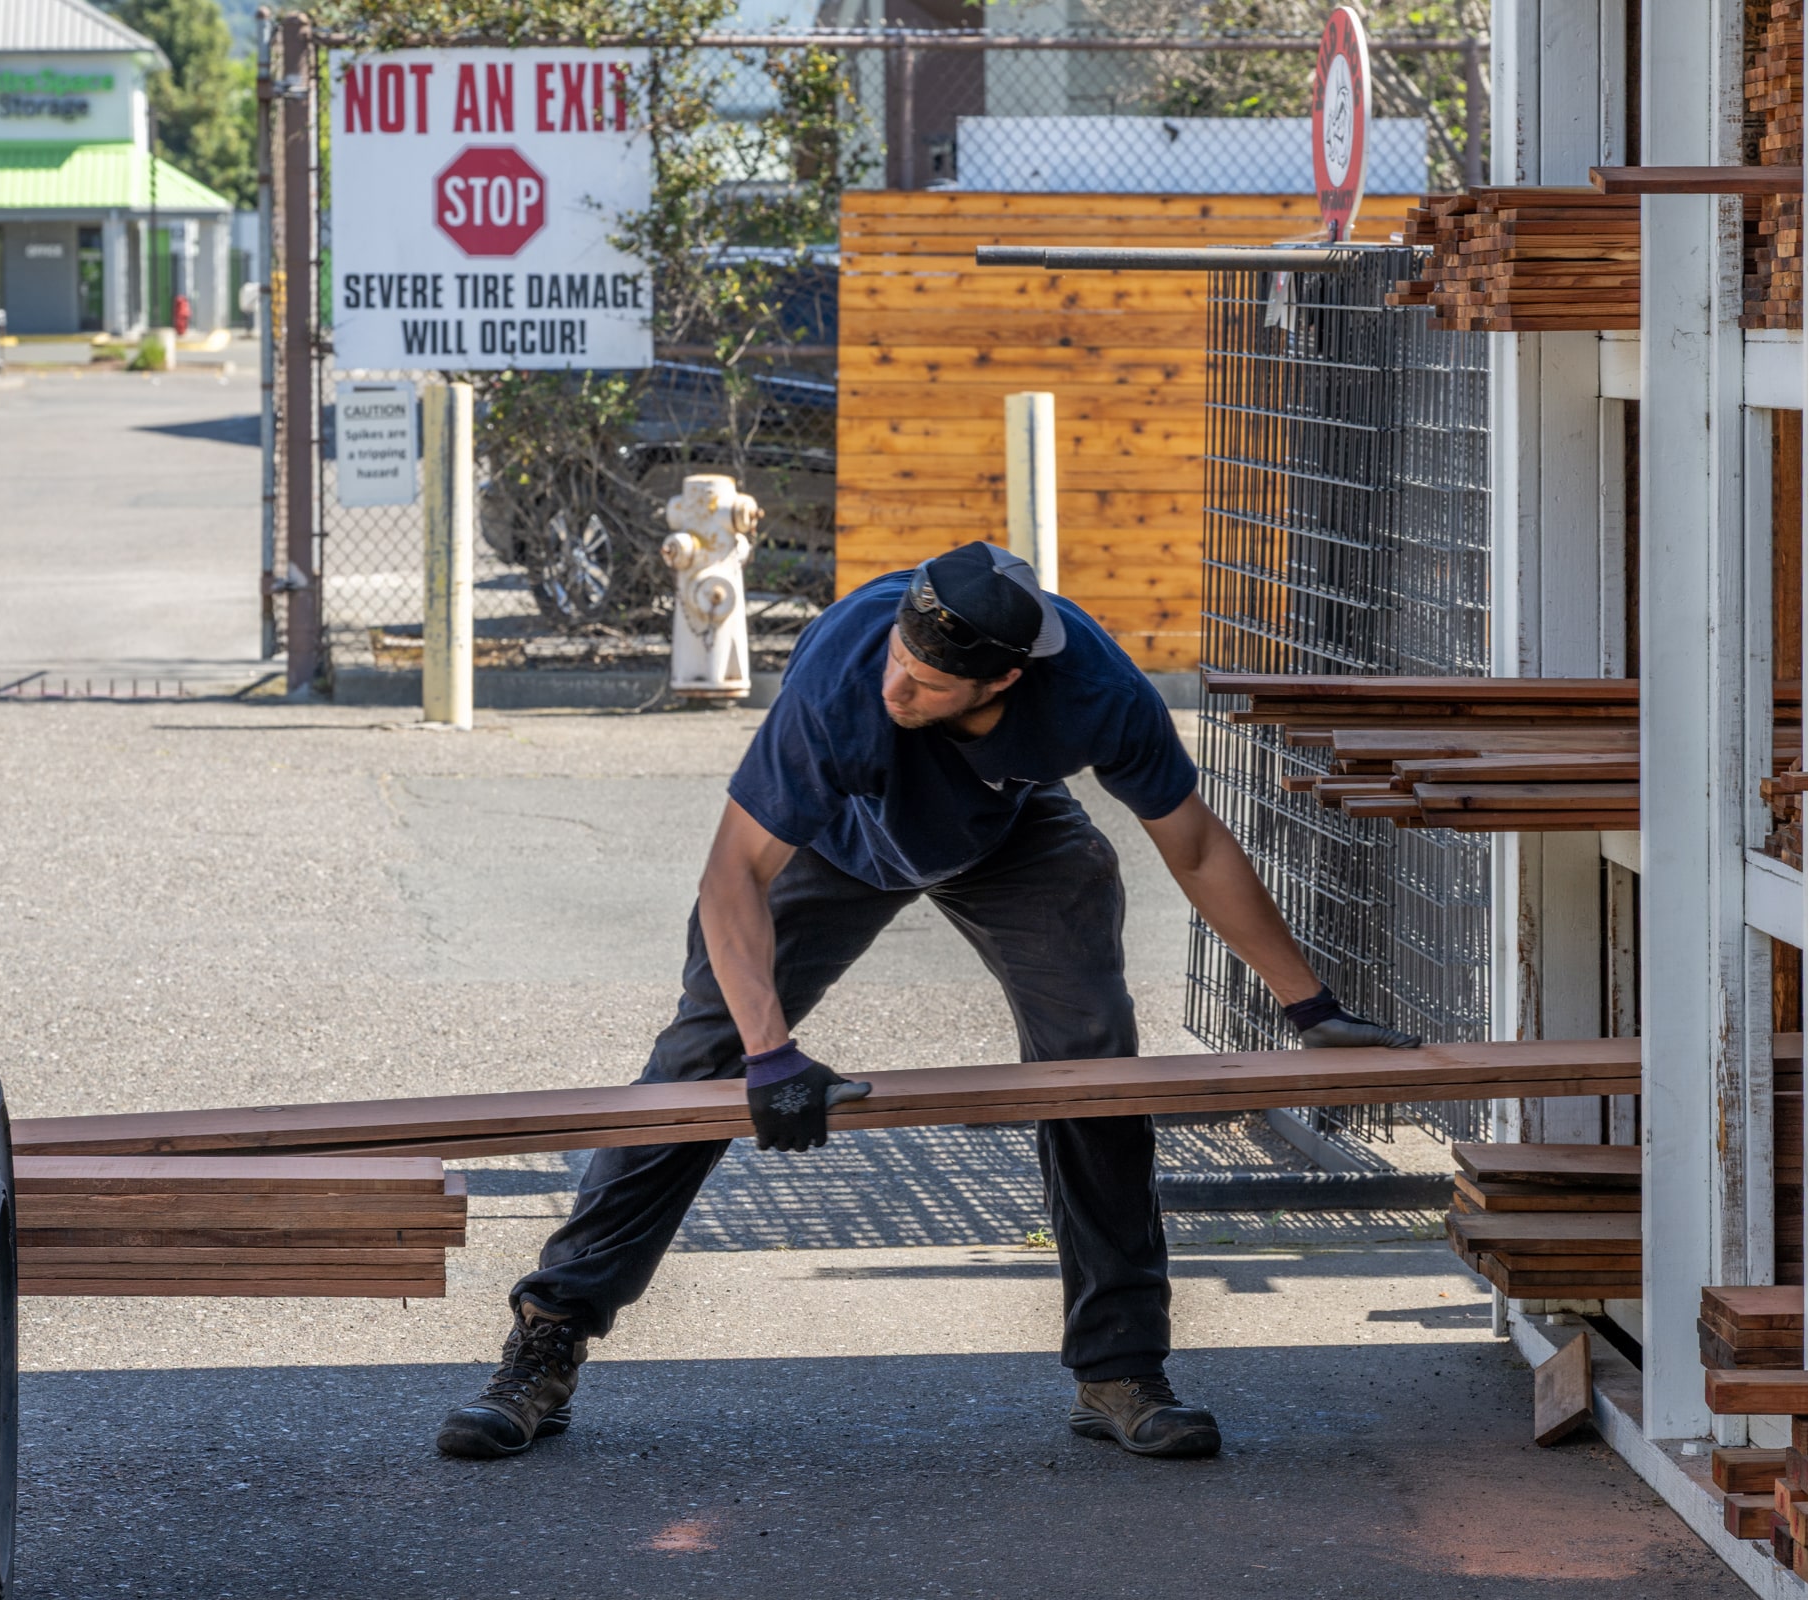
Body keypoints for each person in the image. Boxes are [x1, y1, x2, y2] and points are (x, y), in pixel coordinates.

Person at [437, 541, 1418, 1464]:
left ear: (1004, 681)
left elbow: (1195, 846)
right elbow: (734, 872)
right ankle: (547, 1340)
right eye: (899, 659)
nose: (896, 687)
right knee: (704, 1062)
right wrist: (770, 1055)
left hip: (1008, 836)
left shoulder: (1096, 689)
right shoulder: (847, 680)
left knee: (1094, 1066)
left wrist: (1309, 1008)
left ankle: (1120, 1368)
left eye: (927, 682)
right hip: (839, 839)